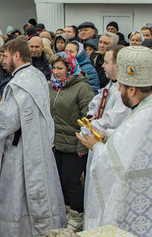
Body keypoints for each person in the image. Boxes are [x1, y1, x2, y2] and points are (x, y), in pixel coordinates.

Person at [77, 46, 152, 236]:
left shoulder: (145, 116)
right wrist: (107, 135)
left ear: (132, 90)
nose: (119, 89)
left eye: (122, 87)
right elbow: (131, 142)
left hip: (141, 201)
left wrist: (97, 146)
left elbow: (114, 163)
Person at [0, 38, 66, 236]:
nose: (2, 61)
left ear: (16, 56)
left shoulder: (19, 84)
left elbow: (8, 121)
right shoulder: (37, 75)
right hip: (39, 144)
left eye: (4, 56)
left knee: (21, 198)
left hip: (23, 153)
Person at [47, 52, 93, 231]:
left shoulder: (82, 88)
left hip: (75, 143)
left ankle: (78, 212)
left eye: (60, 68)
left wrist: (83, 143)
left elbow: (88, 116)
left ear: (70, 68)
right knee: (58, 178)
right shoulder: (52, 86)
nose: (56, 72)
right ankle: (66, 209)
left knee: (71, 180)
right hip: (56, 142)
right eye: (54, 68)